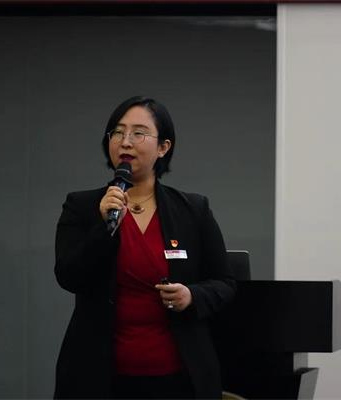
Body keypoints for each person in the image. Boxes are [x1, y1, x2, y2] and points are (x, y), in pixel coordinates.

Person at [53, 96, 236, 399]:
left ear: (163, 147)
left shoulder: (192, 209)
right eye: (118, 132)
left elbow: (225, 283)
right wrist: (103, 226)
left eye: (138, 133)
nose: (125, 142)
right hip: (99, 375)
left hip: (179, 376)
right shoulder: (82, 206)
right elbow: (69, 276)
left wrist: (191, 296)